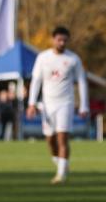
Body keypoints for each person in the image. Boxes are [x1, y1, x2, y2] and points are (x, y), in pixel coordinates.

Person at [27, 26, 89, 184]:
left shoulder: (73, 59)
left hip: (65, 103)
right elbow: (36, 81)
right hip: (47, 105)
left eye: (65, 40)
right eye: (59, 40)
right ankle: (62, 164)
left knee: (62, 138)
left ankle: (61, 175)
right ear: (53, 39)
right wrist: (31, 103)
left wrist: (84, 105)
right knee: (50, 140)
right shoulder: (43, 58)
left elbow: (82, 81)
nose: (62, 43)